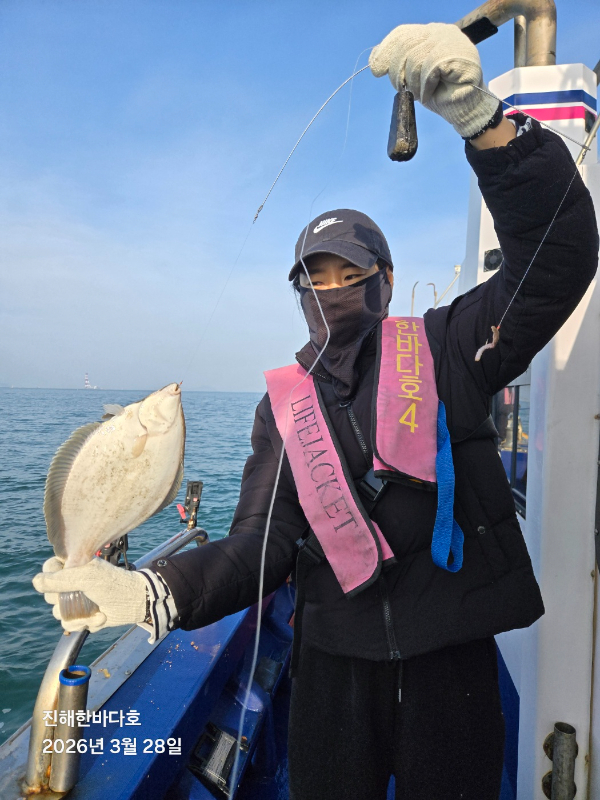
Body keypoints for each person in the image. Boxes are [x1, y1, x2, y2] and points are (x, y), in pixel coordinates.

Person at [33, 22, 598, 800]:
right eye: (315, 278)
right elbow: (260, 544)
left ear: (387, 280)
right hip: (332, 670)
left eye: (351, 273)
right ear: (299, 292)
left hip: (451, 662)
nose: (332, 290)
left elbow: (557, 259)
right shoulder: (283, 406)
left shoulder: (449, 344)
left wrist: (485, 126)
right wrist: (156, 591)